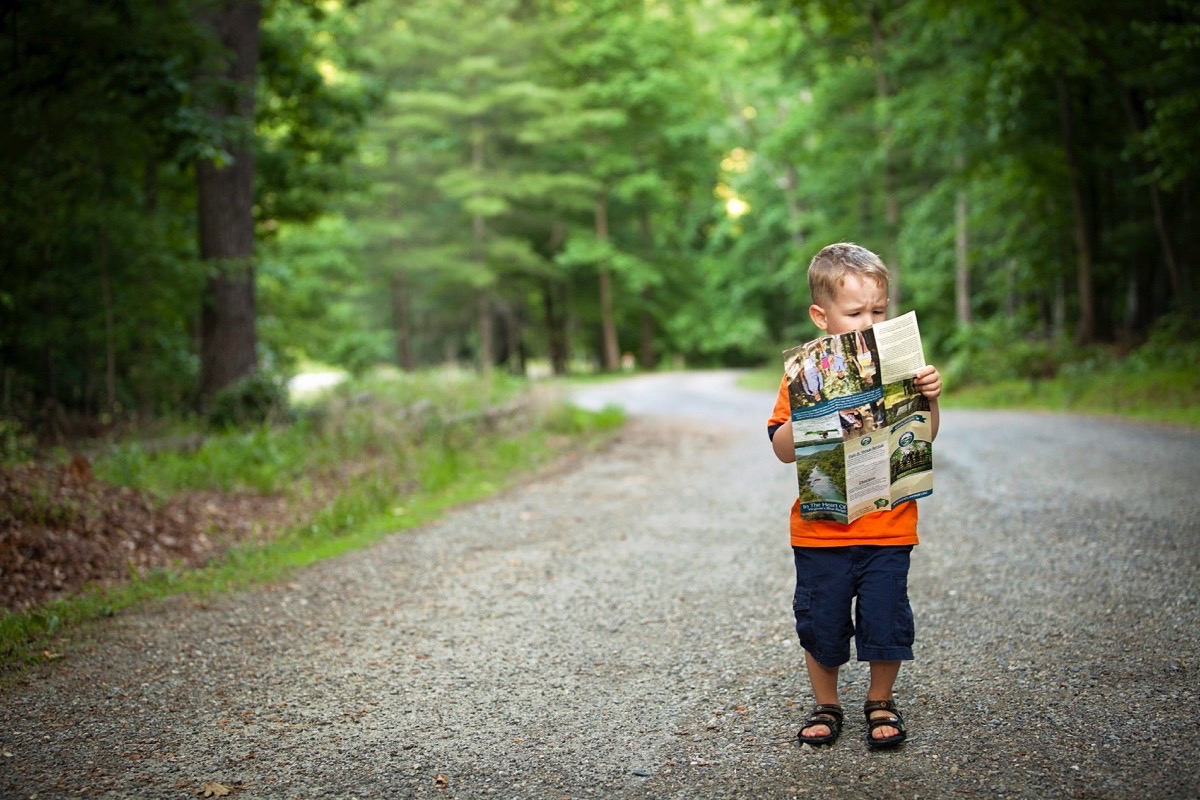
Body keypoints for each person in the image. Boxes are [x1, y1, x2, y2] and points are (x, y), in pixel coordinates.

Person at [767, 242, 942, 749]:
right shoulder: (802, 375)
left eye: (878, 311)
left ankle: (880, 700)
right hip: (822, 532)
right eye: (855, 312)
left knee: (886, 617)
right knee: (822, 621)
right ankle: (827, 703)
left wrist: (931, 398)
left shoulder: (901, 365)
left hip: (889, 524)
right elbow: (781, 449)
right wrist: (811, 409)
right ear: (821, 317)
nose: (869, 321)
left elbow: (924, 436)